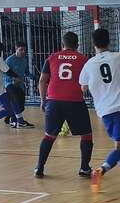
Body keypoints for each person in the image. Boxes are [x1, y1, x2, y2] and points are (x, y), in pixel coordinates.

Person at [79, 27, 120, 187]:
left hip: (103, 111)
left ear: (93, 44)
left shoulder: (89, 64)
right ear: (109, 41)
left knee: (119, 144)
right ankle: (101, 170)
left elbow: (83, 87)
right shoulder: (119, 57)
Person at [33, 31, 93, 179]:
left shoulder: (52, 57)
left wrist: (43, 100)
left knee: (49, 136)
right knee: (86, 135)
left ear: (62, 44)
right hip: (75, 101)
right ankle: (84, 168)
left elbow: (42, 80)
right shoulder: (83, 59)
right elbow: (88, 82)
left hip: (54, 101)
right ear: (77, 45)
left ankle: (39, 168)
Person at [4, 43, 34, 129]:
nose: (23, 52)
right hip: (9, 84)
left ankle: (9, 117)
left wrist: (32, 77)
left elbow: (26, 72)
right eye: (21, 50)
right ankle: (16, 121)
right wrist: (12, 79)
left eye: (24, 50)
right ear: (16, 49)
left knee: (21, 106)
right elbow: (5, 72)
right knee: (15, 102)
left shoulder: (24, 59)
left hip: (19, 85)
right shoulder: (9, 60)